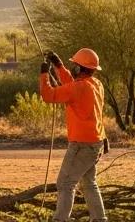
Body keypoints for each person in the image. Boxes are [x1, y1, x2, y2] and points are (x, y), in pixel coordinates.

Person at [40, 48, 108, 222]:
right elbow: (71, 84)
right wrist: (58, 65)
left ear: (78, 68)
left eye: (74, 65)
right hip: (96, 144)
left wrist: (43, 75)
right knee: (89, 183)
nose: (73, 68)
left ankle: (60, 219)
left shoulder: (78, 88)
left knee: (65, 183)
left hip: (81, 146)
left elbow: (48, 96)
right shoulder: (95, 84)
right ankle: (100, 219)